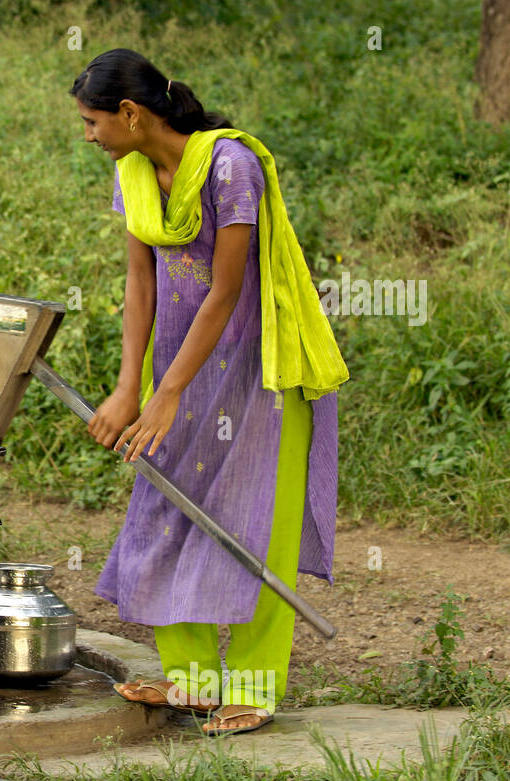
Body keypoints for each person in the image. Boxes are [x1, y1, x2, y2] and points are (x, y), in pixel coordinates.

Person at [70, 50, 348, 735]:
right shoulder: (131, 170)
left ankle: (253, 688)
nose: (89, 135)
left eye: (93, 121)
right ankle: (191, 681)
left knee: (260, 524)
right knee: (170, 507)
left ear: (130, 114)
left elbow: (225, 290)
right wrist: (130, 386)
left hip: (259, 369)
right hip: (177, 367)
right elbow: (141, 282)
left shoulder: (230, 165)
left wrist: (167, 393)